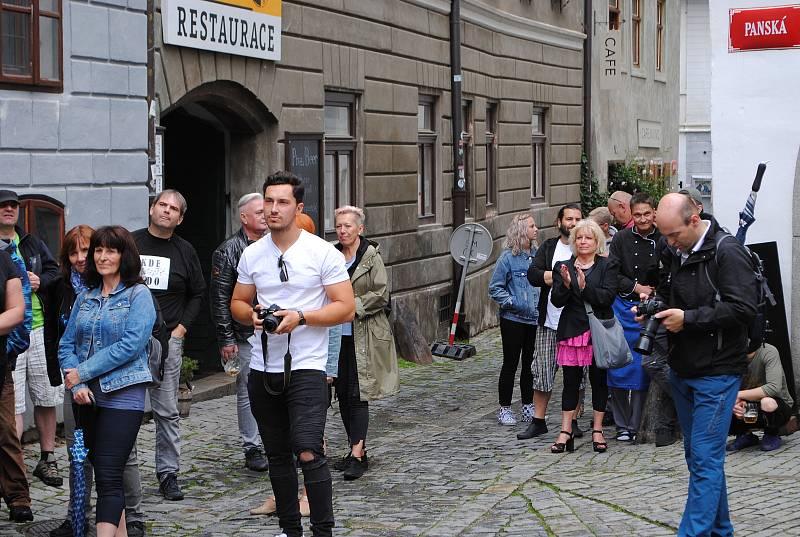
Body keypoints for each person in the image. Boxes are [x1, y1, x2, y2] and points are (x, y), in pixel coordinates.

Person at [231, 171, 355, 537]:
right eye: (268, 201)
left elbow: (346, 307)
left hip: (307, 367)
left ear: (298, 207)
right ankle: (290, 529)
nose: (272, 209)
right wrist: (252, 315)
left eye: (281, 202)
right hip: (263, 365)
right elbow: (237, 301)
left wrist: (301, 317)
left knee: (307, 449)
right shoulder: (253, 254)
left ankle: (322, 530)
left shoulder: (320, 252)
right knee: (277, 455)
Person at [651, 193, 757, 536]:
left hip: (718, 372)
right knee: (699, 459)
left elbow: (743, 309)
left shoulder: (728, 251)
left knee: (706, 459)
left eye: (673, 235)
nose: (668, 243)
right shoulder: (674, 251)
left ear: (693, 220)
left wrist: (688, 319)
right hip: (682, 368)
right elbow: (670, 295)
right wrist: (656, 308)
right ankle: (721, 530)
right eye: (664, 236)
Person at [58, 226, 156, 537]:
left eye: (110, 250)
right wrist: (76, 383)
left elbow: (131, 344)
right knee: (99, 469)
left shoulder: (138, 295)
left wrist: (82, 373)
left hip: (123, 393)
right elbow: (66, 345)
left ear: (124, 255)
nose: (102, 256)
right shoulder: (85, 296)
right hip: (86, 396)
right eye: (97, 250)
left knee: (110, 474)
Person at [133, 190, 206, 501]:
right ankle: (124, 472)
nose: (166, 211)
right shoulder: (131, 243)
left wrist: (181, 329)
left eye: (173, 208)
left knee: (167, 410)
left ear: (180, 218)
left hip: (168, 341)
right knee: (127, 409)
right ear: (152, 209)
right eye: (162, 205)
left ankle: (168, 473)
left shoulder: (184, 250)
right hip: (131, 340)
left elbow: (198, 292)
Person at [0, 190, 63, 488]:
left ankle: (47, 458)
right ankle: (16, 466)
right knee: (13, 405)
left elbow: (55, 271)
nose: (9, 210)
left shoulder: (30, 242)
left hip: (39, 328)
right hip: (8, 334)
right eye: (3, 205)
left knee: (46, 395)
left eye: (13, 205)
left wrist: (40, 280)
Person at [331, 205, 398, 481]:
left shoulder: (371, 257)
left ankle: (358, 455)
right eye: (339, 226)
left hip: (365, 335)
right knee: (343, 395)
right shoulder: (332, 256)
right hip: (337, 337)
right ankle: (356, 448)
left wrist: (350, 306)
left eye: (348, 226)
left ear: (360, 229)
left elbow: (381, 293)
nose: (343, 230)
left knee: (358, 394)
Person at [211, 193, 269, 472]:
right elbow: (220, 298)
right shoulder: (228, 250)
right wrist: (226, 338)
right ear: (244, 217)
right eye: (259, 211)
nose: (265, 214)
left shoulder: (274, 245)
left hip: (277, 329)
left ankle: (277, 441)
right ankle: (252, 446)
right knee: (247, 389)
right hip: (244, 332)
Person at [549, 219, 616, 454]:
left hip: (598, 332)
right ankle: (565, 430)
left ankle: (598, 430)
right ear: (574, 242)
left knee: (599, 382)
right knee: (570, 383)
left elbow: (606, 299)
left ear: (597, 241)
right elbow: (556, 301)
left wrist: (584, 286)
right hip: (572, 331)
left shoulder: (607, 266)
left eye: (588, 237)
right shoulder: (562, 266)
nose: (583, 241)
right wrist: (567, 285)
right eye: (579, 237)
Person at [522, 204, 582, 440]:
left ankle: (573, 420)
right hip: (549, 322)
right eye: (569, 218)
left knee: (578, 375)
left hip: (578, 325)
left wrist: (555, 276)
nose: (573, 223)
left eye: (578, 218)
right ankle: (539, 420)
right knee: (542, 372)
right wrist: (557, 275)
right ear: (559, 222)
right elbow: (533, 274)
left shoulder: (586, 247)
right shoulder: (549, 247)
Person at [606, 193, 658, 443]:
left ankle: (636, 424)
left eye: (647, 214)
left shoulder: (663, 239)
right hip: (623, 307)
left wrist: (654, 293)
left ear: (654, 213)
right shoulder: (621, 239)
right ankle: (621, 424)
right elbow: (612, 274)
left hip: (652, 309)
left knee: (642, 368)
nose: (643, 219)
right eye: (637, 215)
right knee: (618, 366)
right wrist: (638, 288)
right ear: (631, 214)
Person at [488, 213, 540, 426]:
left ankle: (528, 405)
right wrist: (512, 301)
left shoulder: (538, 256)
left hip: (534, 318)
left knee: (530, 365)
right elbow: (495, 288)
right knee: (510, 363)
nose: (536, 229)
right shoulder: (507, 258)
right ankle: (505, 408)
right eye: (532, 226)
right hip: (513, 319)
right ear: (521, 231)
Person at [0, 246, 30, 522]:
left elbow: (17, 311)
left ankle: (17, 496)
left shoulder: (3, 260)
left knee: (7, 432)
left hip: (0, 368)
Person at [727, 342, 793, 452]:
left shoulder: (768, 351)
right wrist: (737, 402)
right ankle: (744, 434)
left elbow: (773, 388)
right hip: (746, 405)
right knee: (720, 403)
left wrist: (737, 395)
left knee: (767, 403)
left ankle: (771, 434)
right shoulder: (728, 355)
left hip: (775, 404)